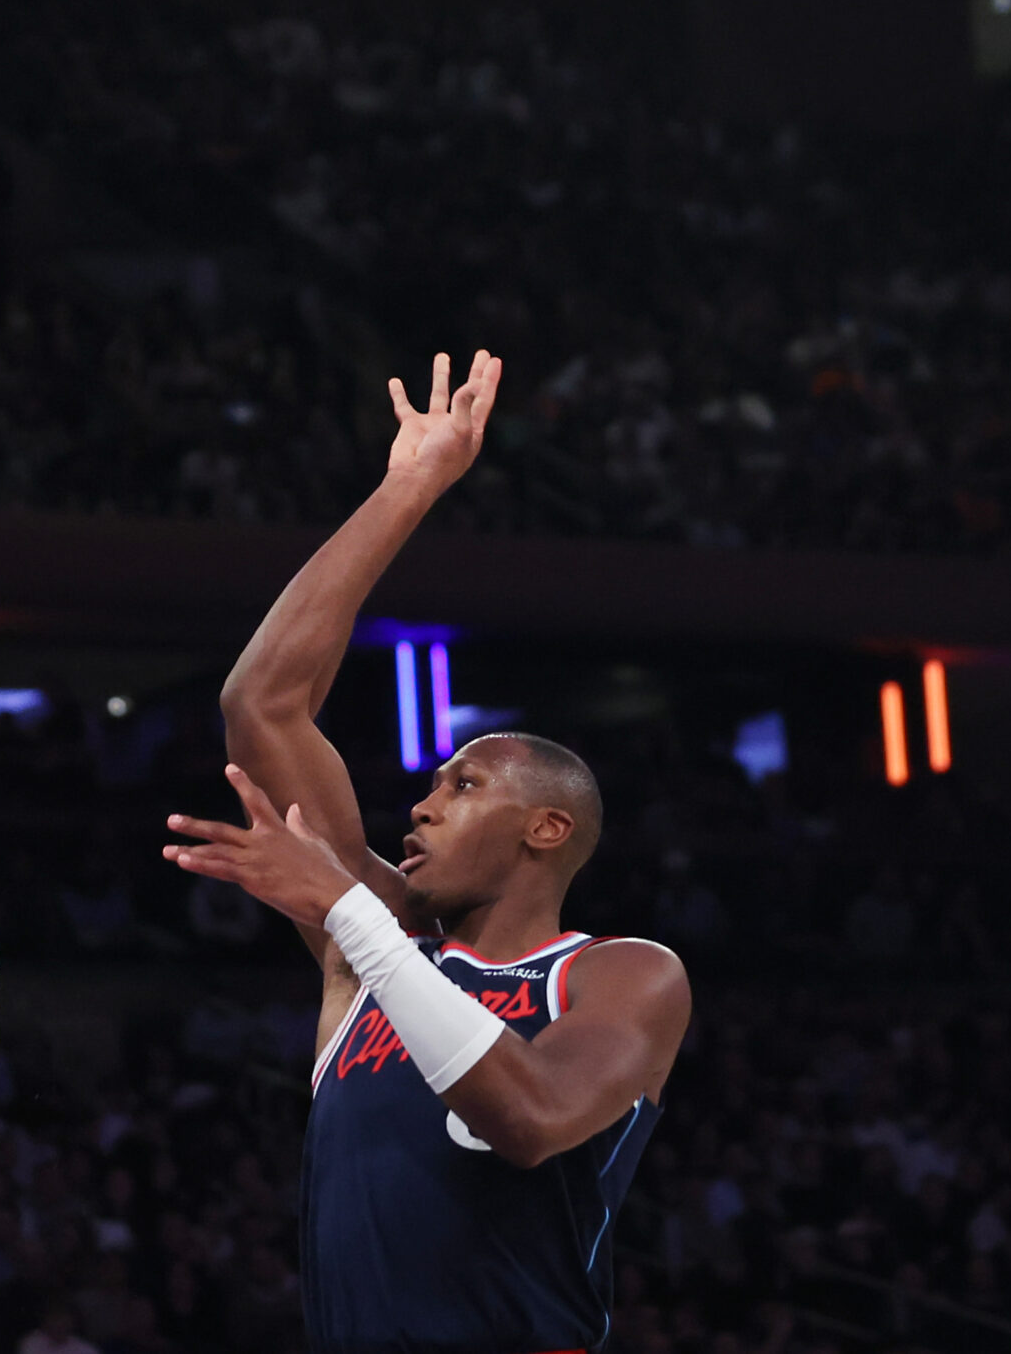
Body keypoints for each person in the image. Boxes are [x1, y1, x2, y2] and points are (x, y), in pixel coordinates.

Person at [166, 350, 694, 1354]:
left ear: (549, 829)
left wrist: (355, 918)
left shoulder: (619, 973)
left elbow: (531, 1120)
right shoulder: (368, 948)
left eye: (462, 785)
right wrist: (409, 485)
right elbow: (262, 703)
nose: (420, 806)